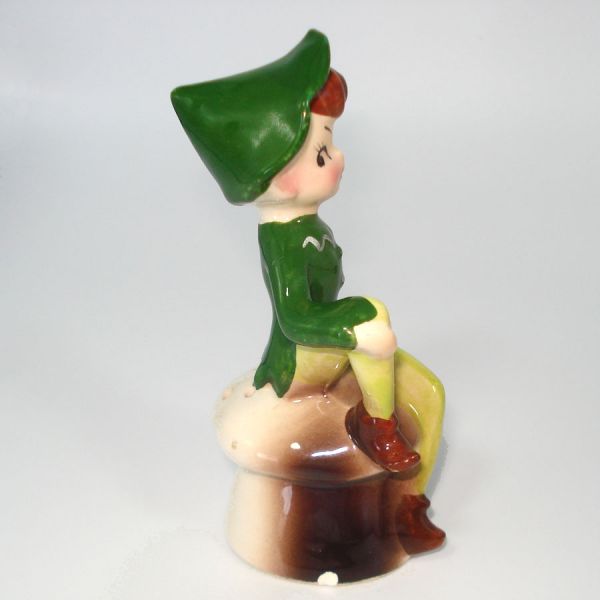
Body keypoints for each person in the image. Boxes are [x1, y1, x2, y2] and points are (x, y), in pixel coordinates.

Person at [171, 29, 420, 473]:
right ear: (282, 181)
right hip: (298, 353)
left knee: (374, 319)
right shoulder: (283, 240)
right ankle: (376, 426)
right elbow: (294, 318)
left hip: (314, 341)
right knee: (372, 316)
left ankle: (377, 422)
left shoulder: (304, 225)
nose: (339, 158)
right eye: (322, 153)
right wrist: (355, 332)